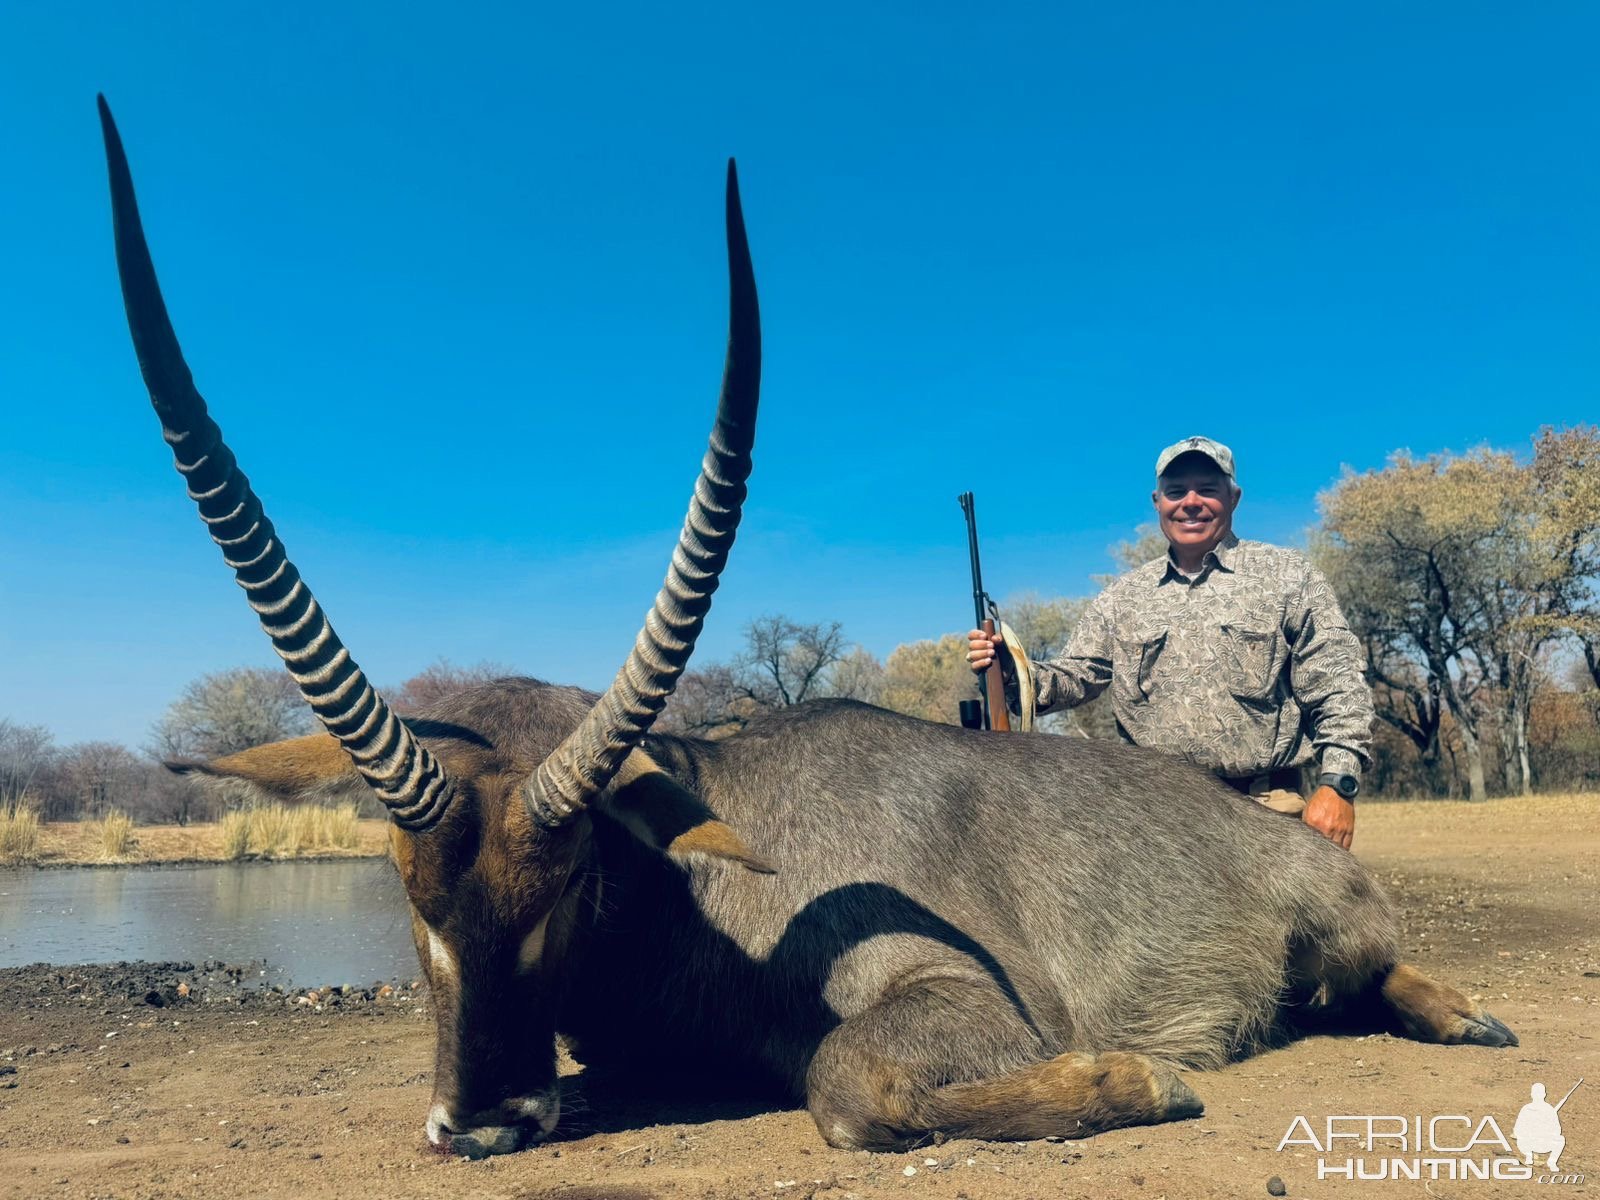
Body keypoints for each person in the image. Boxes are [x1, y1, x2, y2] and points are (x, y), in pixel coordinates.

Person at [967, 436, 1373, 848]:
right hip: (1152, 821)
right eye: (1176, 491)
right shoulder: (1123, 597)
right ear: (1157, 501)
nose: (1191, 503)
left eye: (1208, 490)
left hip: (1266, 812)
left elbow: (1338, 682)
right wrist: (1012, 670)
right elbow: (1075, 675)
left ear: (1234, 498)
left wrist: (1338, 784)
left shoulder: (1288, 576)